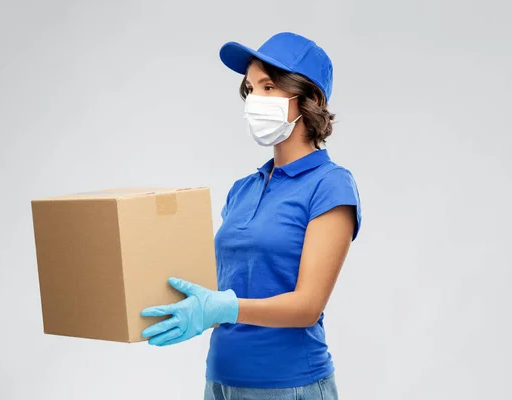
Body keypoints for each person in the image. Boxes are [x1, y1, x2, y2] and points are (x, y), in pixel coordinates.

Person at [140, 32, 362, 399]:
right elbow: (222, 284)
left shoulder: (330, 185)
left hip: (289, 386)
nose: (255, 99)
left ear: (311, 98)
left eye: (269, 86)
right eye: (250, 88)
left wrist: (223, 307)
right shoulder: (243, 188)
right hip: (221, 381)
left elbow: (307, 306)